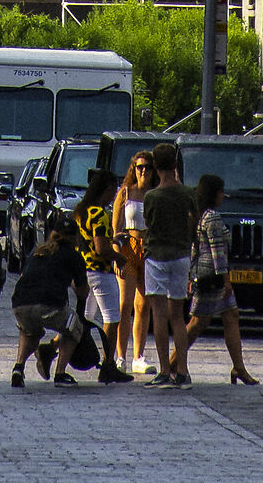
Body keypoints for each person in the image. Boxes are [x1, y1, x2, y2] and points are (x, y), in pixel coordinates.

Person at [186, 174, 258, 385]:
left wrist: (191, 274)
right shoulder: (212, 218)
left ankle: (239, 367)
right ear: (214, 194)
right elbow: (217, 253)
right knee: (198, 322)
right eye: (221, 192)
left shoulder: (198, 215)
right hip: (212, 278)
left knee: (231, 315)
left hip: (204, 274)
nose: (223, 196)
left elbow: (194, 249)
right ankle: (172, 362)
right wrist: (226, 280)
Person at [141, 139, 196, 386]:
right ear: (175, 164)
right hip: (181, 255)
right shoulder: (188, 193)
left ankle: (164, 370)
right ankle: (182, 370)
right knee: (178, 316)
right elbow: (193, 221)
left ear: (155, 165)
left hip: (156, 256)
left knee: (159, 315)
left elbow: (148, 223)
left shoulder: (151, 196)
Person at [11, 215, 88, 388]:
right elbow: (82, 291)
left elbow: (23, 275)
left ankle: (18, 368)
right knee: (74, 326)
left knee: (29, 331)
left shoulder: (38, 250)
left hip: (20, 304)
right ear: (75, 237)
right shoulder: (74, 256)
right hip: (48, 305)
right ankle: (60, 374)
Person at [73, 159, 128, 383]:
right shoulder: (100, 214)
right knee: (112, 318)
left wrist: (113, 239)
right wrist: (119, 257)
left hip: (83, 270)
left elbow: (90, 241)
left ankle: (52, 350)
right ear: (106, 190)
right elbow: (101, 249)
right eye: (113, 191)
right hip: (101, 272)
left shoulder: (81, 211)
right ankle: (108, 364)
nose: (114, 196)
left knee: (83, 320)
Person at [111, 146, 158, 376]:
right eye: (139, 167)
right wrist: (116, 254)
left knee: (144, 304)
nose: (143, 171)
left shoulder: (155, 194)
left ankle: (138, 356)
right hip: (128, 247)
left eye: (147, 167)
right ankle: (120, 356)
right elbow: (116, 228)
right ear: (134, 169)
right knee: (125, 304)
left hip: (148, 249)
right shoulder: (125, 193)